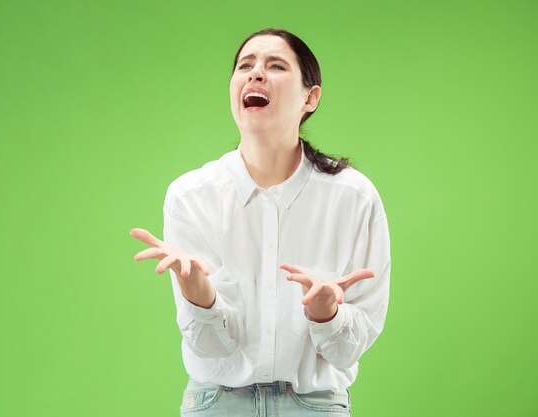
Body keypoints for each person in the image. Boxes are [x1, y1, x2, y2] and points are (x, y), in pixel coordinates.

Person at [130, 28, 391, 416]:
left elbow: (350, 348)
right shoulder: (191, 195)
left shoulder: (353, 197)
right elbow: (213, 347)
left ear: (310, 97)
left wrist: (326, 314)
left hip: (315, 406)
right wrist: (197, 293)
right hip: (217, 403)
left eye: (276, 65)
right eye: (245, 65)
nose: (255, 74)